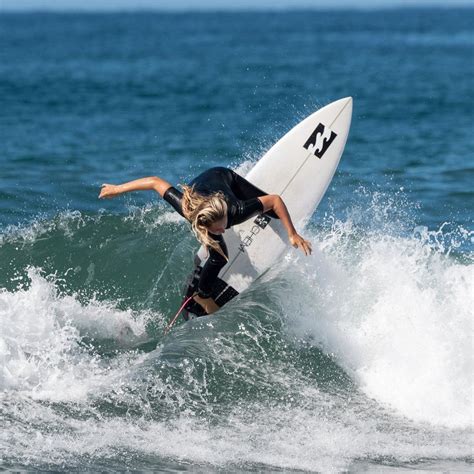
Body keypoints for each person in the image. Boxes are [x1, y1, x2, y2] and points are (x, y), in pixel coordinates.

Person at [99, 167, 311, 315]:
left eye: (224, 224)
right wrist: (116, 189)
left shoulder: (235, 211)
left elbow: (274, 200)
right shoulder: (187, 208)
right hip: (198, 192)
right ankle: (203, 295)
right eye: (216, 228)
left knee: (273, 212)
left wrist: (292, 233)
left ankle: (204, 283)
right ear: (202, 224)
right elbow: (155, 182)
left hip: (223, 177)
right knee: (219, 256)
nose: (223, 229)